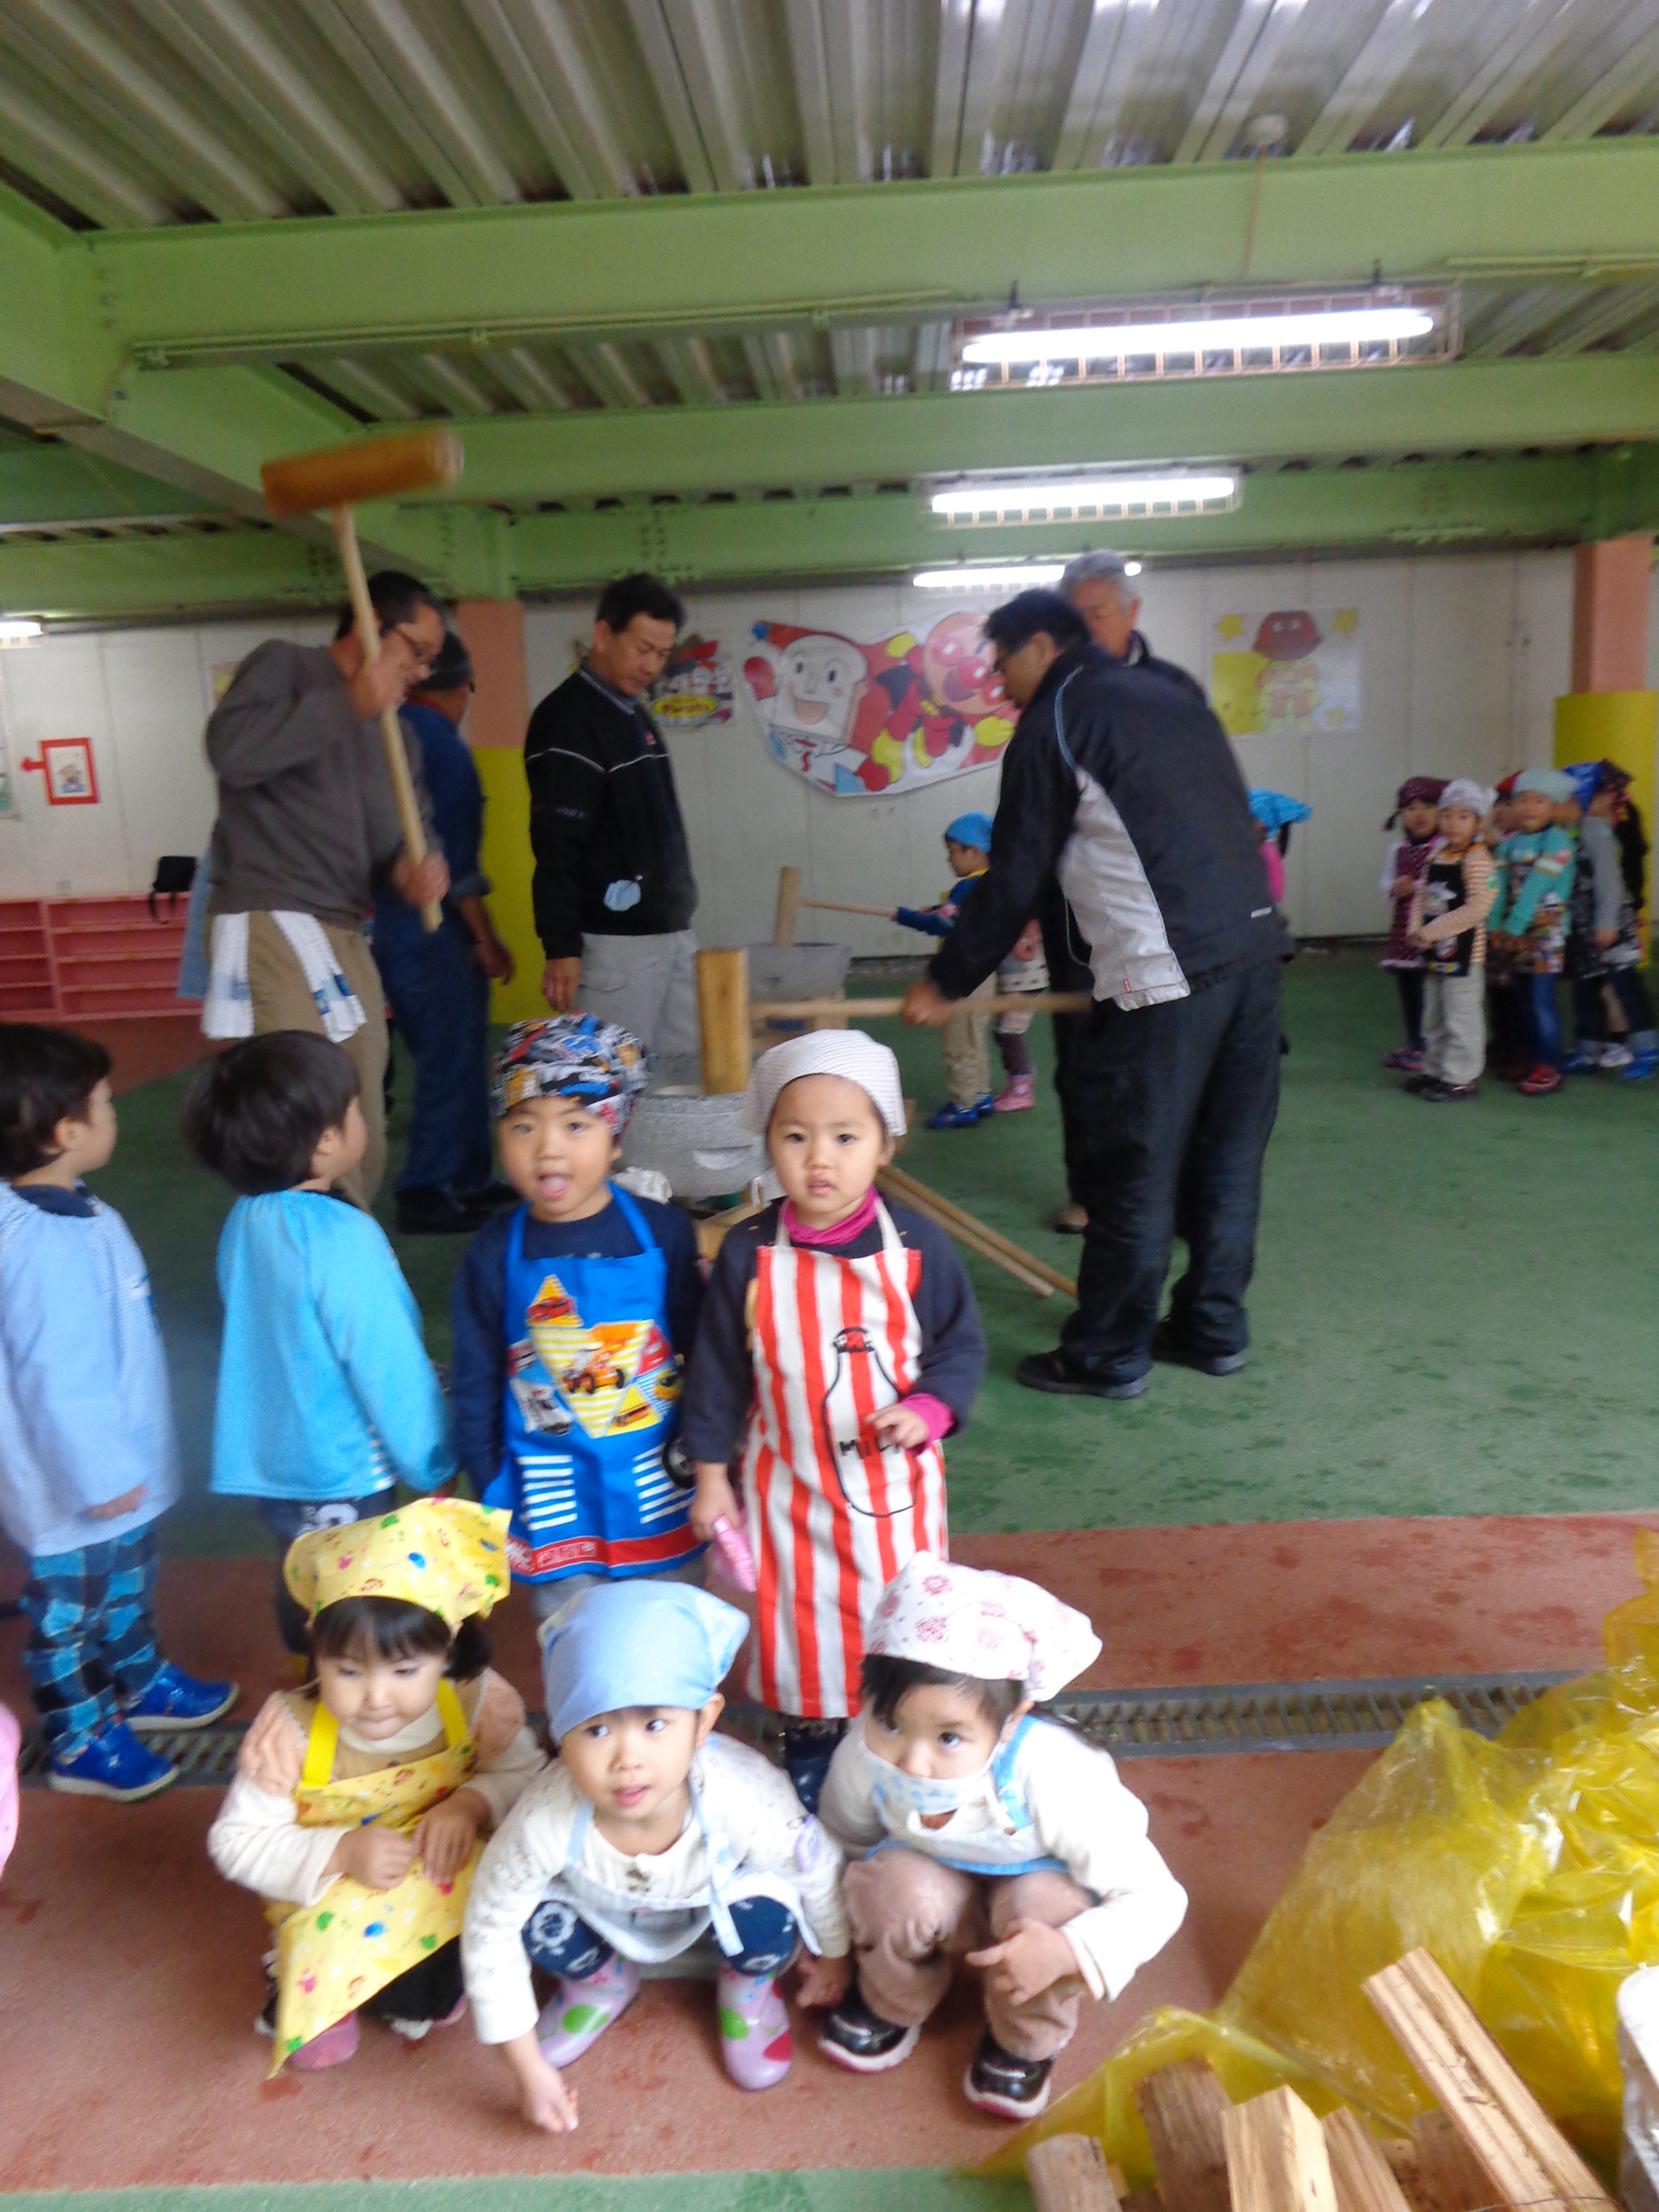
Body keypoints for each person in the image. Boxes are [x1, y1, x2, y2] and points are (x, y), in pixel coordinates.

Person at [902, 588, 1286, 1401]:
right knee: (1227, 1155)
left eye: (1001, 664)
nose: (999, 685)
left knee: (1132, 1165)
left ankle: (1108, 1352)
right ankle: (1212, 1326)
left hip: (1167, 969)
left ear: (1041, 645)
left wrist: (947, 979)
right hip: (1255, 952)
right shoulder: (1172, 694)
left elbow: (1016, 870)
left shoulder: (1055, 717)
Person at [680, 1032, 986, 1810]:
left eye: (846, 1137)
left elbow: (960, 1347)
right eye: (795, 1137)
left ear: (886, 1144)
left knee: (900, 1619)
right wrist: (712, 1477)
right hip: (787, 1491)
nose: (820, 1159)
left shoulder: (918, 1247)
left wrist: (928, 1407)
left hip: (896, 1499)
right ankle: (811, 1740)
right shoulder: (749, 1250)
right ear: (769, 1144)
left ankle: (894, 1736)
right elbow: (716, 1375)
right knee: (799, 1627)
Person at [461, 1579, 850, 2129]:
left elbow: (816, 1868)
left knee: (772, 1915)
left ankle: (746, 1987)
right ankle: (597, 1980)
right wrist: (526, 2069)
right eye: (596, 1728)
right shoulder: (544, 1819)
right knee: (533, 1918)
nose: (628, 1759)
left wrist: (834, 1955)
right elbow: (489, 1927)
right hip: (602, 1914)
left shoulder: (743, 1796)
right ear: (561, 1734)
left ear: (704, 1721)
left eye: (655, 1724)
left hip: (718, 1915)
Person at [815, 1554, 1187, 2120]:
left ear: (1011, 1722)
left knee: (1053, 1909)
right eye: (889, 1722)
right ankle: (893, 1999)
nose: (913, 1762)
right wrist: (833, 1948)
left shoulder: (1056, 1774)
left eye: (948, 1737)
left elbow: (1157, 1898)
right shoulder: (864, 1758)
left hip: (1033, 1897)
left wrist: (1067, 1950)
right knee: (886, 1888)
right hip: (932, 1884)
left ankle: (1024, 2041)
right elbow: (840, 1843)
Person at [207, 1498, 542, 2072]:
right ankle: (301, 1980)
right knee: (317, 2045)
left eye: (405, 1670)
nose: (377, 1697)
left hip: (441, 1874)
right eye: (348, 1670)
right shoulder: (289, 1730)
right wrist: (340, 1851)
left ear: (447, 1651)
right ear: (315, 1651)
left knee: (432, 1998)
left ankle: (423, 1981)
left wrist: (470, 1804)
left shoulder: (479, 1700)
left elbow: (530, 1776)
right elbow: (235, 1840)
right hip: (331, 1892)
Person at [0, 1025, 235, 1801]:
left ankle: (138, 1676)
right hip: (77, 1483)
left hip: (113, 1466)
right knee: (69, 1612)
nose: (114, 1112)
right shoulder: (43, 1246)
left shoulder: (70, 1211)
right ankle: (79, 1737)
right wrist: (97, 1476)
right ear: (64, 1132)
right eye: (103, 1103)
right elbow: (57, 1379)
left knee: (127, 1581)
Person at [183, 1032, 454, 1654]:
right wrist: (433, 1456)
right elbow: (383, 1358)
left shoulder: (247, 1219)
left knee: (305, 1583)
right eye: (355, 1106)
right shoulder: (340, 1235)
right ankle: (340, 1700)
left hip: (276, 1457)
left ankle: (311, 1681)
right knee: (356, 1604)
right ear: (328, 1139)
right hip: (339, 1464)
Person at [200, 570, 452, 1208]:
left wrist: (414, 871)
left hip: (340, 925)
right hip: (268, 913)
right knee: (302, 1112)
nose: (423, 671)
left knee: (357, 1107)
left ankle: (349, 1241)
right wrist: (349, 702)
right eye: (418, 651)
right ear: (370, 625)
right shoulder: (285, 667)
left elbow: (404, 839)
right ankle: (305, 1251)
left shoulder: (398, 734)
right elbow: (230, 751)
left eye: (431, 659)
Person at [449, 1017, 705, 1617]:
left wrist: (708, 1452)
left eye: (575, 1124)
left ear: (615, 1137)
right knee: (571, 1638)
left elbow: (703, 1350)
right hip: (549, 1494)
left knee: (671, 1629)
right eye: (523, 1126)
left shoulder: (664, 1231)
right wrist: (489, 1481)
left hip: (658, 1485)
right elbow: (475, 1381)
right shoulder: (493, 1250)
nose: (548, 1148)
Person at [373, 629, 516, 1236]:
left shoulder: (384, 734)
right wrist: (484, 937)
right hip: (434, 934)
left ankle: (467, 1176)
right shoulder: (439, 745)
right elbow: (453, 863)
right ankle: (428, 1187)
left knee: (448, 1057)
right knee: (448, 1060)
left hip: (390, 929)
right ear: (463, 688)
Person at [525, 573, 699, 1061]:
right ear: (603, 635)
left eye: (662, 654)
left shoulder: (634, 715)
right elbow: (556, 844)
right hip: (613, 947)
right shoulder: (566, 720)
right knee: (613, 1083)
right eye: (643, 649)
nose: (651, 666)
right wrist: (561, 947)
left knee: (684, 1079)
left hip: (671, 933)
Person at [1048, 553, 1152, 1232]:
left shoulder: (1168, 691)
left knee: (1154, 1057)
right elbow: (1036, 816)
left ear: (1132, 613)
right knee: (1081, 1058)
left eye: (1098, 615)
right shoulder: (1055, 698)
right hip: (1073, 917)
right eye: (1073, 618)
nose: (1084, 631)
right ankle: (1088, 1191)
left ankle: (1153, 1190)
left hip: (1157, 915)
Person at [893, 812, 1045, 1125]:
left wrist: (905, 916)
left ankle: (963, 1105)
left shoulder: (967, 888)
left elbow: (942, 925)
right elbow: (952, 915)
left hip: (963, 977)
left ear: (974, 851)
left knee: (958, 1040)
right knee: (975, 1037)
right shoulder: (996, 885)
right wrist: (936, 910)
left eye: (953, 852)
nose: (950, 860)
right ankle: (981, 1095)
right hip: (984, 976)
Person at [1562, 761, 1659, 1082]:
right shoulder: (1572, 832)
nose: (1611, 801)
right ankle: (1588, 1050)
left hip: (1611, 926)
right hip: (1584, 928)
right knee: (1585, 990)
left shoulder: (1595, 830)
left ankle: (1646, 1049)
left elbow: (1609, 881)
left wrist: (1607, 922)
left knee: (1626, 988)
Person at [1403, 780, 1497, 1102]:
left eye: (1463, 816)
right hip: (1435, 952)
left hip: (1466, 956)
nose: (1453, 824)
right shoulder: (1437, 854)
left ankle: (1461, 1078)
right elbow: (1421, 896)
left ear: (1478, 822)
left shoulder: (1478, 859)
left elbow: (1478, 908)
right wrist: (1415, 929)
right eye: (1447, 815)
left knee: (1461, 1016)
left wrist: (1432, 931)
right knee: (1435, 1015)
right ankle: (1435, 1070)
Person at [1488, 768, 1578, 1097]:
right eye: (1523, 800)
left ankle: (1548, 1066)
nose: (1529, 807)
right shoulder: (1509, 846)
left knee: (1541, 1003)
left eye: (1540, 801)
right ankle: (1531, 1059)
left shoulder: (1558, 842)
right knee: (1524, 1001)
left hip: (1544, 937)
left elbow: (1535, 887)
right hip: (1515, 934)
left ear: (1555, 806)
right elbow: (1497, 888)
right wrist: (1494, 925)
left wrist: (1512, 926)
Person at [1380, 778, 1448, 1073]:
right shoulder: (1397, 849)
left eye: (1427, 807)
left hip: (1432, 931)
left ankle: (1431, 1044)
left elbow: (1446, 886)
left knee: (1431, 990)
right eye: (1411, 808)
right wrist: (1394, 888)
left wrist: (1416, 886)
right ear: (1401, 814)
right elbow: (1385, 883)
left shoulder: (1443, 847)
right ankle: (1414, 1040)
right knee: (1408, 989)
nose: (1419, 814)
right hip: (1404, 931)